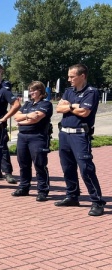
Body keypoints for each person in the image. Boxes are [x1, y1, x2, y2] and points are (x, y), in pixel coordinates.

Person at [55, 64, 105, 216]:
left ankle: (97, 202)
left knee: (86, 168)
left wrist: (68, 106)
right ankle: (72, 196)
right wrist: (73, 106)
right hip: (64, 134)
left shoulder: (92, 92)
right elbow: (58, 108)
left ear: (82, 76)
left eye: (72, 76)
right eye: (69, 76)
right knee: (68, 167)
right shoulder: (69, 91)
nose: (69, 79)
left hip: (80, 135)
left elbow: (84, 112)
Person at [11, 81, 53, 201]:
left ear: (41, 91)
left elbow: (36, 119)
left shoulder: (46, 104)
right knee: (23, 164)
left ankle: (42, 190)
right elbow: (16, 117)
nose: (32, 92)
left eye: (34, 90)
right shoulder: (27, 104)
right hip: (23, 136)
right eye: (30, 90)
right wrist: (28, 116)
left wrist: (23, 119)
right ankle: (24, 187)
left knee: (40, 164)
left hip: (37, 137)